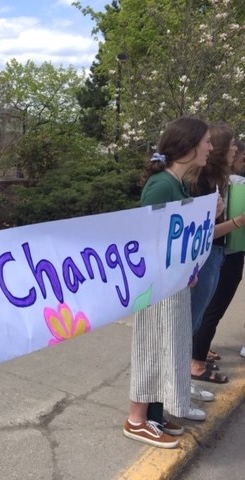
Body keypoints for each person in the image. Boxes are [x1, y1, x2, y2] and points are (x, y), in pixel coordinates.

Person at [124, 117, 212, 449]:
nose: (210, 147)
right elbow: (149, 240)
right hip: (158, 285)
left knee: (168, 345)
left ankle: (154, 413)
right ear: (189, 147)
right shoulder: (162, 186)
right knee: (152, 343)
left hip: (172, 283)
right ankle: (136, 419)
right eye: (205, 141)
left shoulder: (178, 185)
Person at [187, 125, 245, 386]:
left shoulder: (220, 180)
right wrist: (237, 222)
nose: (237, 148)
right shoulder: (205, 182)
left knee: (202, 315)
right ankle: (195, 364)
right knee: (201, 314)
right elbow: (204, 231)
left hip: (221, 252)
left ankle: (196, 357)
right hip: (213, 254)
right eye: (232, 144)